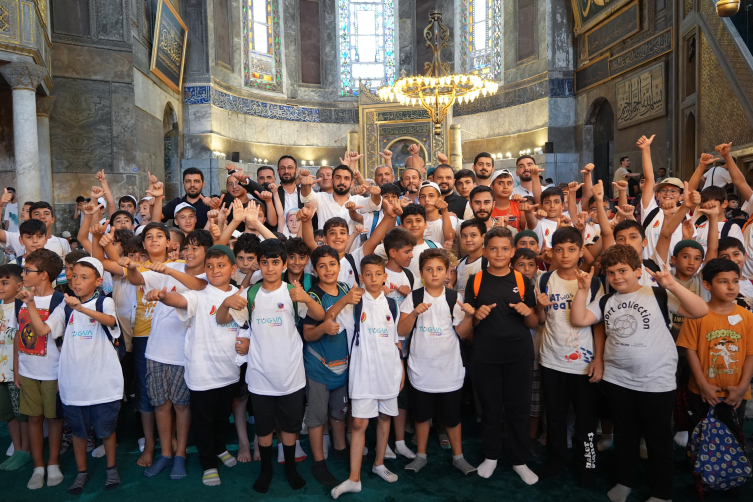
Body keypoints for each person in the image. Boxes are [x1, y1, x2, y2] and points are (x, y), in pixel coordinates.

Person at [570, 245, 708, 502]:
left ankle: (662, 493)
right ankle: (625, 481)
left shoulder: (658, 294)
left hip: (656, 381)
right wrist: (581, 289)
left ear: (637, 270)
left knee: (658, 439)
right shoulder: (605, 300)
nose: (617, 277)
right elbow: (579, 318)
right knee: (625, 435)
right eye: (610, 273)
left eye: (622, 270)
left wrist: (672, 285)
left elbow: (700, 310)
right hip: (617, 380)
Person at [220, 240, 322, 493]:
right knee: (264, 429)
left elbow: (320, 316)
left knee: (289, 427)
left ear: (284, 264)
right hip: (260, 375)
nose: (270, 268)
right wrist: (225, 304)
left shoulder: (293, 291)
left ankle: (289, 467)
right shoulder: (250, 294)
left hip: (291, 375)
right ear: (259, 265)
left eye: (275, 262)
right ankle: (266, 469)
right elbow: (222, 320)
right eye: (264, 263)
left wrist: (307, 299)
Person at [19, 257, 123, 494]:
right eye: (74, 276)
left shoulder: (103, 303)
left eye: (83, 277)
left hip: (103, 383)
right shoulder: (64, 307)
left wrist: (82, 308)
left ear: (97, 281)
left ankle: (111, 468)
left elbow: (111, 321)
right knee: (78, 432)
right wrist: (32, 304)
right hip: (74, 384)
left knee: (106, 430)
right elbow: (43, 330)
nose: (76, 281)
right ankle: (82, 472)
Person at [150, 245, 243, 486]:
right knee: (203, 421)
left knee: (223, 417)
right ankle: (208, 463)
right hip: (202, 373)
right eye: (209, 266)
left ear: (233, 268)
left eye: (221, 265)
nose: (215, 271)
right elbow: (179, 300)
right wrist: (163, 296)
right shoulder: (199, 294)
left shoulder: (241, 295)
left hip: (229, 372)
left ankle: (220, 448)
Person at [134, 230, 213, 480]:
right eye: (187, 248)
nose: (189, 253)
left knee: (181, 405)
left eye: (195, 248)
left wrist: (165, 288)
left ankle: (180, 454)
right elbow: (139, 280)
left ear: (207, 253)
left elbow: (197, 287)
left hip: (183, 353)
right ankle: (165, 453)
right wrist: (129, 267)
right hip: (156, 349)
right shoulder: (173, 266)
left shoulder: (207, 276)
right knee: (161, 404)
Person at [463, 226, 539, 484]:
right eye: (493, 248)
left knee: (518, 409)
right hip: (485, 355)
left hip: (519, 354)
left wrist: (527, 311)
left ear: (512, 251)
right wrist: (476, 315)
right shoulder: (475, 280)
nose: (499, 253)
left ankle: (520, 460)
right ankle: (491, 456)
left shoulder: (522, 280)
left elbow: (533, 322)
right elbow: (467, 323)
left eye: (505, 248)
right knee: (490, 409)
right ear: (485, 250)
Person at [398, 248, 476, 476]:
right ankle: (421, 455)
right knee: (421, 416)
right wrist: (413, 313)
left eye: (439, 269)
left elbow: (461, 333)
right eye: (429, 269)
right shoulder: (414, 297)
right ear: (421, 273)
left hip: (449, 369)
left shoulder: (454, 298)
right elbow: (401, 330)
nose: (434, 274)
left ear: (448, 273)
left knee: (452, 417)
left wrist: (470, 316)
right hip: (421, 369)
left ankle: (458, 457)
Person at [535, 227, 603, 486]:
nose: (565, 255)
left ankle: (588, 463)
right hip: (552, 359)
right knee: (555, 414)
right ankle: (556, 459)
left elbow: (598, 324)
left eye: (571, 249)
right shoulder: (544, 279)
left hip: (584, 363)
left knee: (586, 418)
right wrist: (540, 307)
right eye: (559, 250)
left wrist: (599, 359)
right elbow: (541, 321)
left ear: (580, 251)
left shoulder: (591, 281)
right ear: (552, 251)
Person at [330, 254, 403, 498]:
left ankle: (379, 463)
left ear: (385, 276)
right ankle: (354, 478)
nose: (373, 279)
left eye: (378, 274)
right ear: (361, 277)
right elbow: (329, 317)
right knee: (359, 423)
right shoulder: (354, 303)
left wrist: (400, 370)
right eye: (368, 274)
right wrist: (343, 300)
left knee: (384, 417)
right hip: (362, 373)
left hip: (388, 372)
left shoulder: (393, 305)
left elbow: (396, 343)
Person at [301, 245, 358, 485]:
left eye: (332, 264)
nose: (328, 270)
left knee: (339, 414)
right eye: (322, 266)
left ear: (339, 265)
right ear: (314, 270)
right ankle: (318, 462)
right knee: (316, 417)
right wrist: (324, 328)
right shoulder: (313, 295)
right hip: (319, 368)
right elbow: (308, 334)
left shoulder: (346, 287)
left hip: (344, 367)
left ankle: (340, 450)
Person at [677, 258, 753, 431]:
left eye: (735, 281)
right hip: (703, 392)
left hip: (736, 394)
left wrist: (742, 388)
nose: (731, 287)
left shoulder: (747, 317)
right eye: (723, 282)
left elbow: (750, 354)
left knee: (733, 439)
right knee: (701, 437)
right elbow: (690, 351)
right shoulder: (696, 314)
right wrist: (703, 385)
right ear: (707, 285)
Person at [13, 249, 66, 490]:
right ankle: (38, 466)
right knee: (33, 418)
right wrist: (16, 370)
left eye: (27, 270)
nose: (23, 274)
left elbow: (45, 331)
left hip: (52, 371)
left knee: (54, 419)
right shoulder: (19, 299)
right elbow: (17, 335)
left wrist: (31, 303)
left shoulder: (60, 301)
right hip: (27, 370)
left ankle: (53, 463)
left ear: (44, 275)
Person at [0, 264, 30, 471]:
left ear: (20, 285)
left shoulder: (22, 308)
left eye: (4, 282)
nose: (0, 287)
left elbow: (22, 341)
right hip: (1, 371)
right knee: (8, 413)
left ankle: (25, 451)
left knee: (22, 414)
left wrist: (18, 370)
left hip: (16, 371)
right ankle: (17, 447)